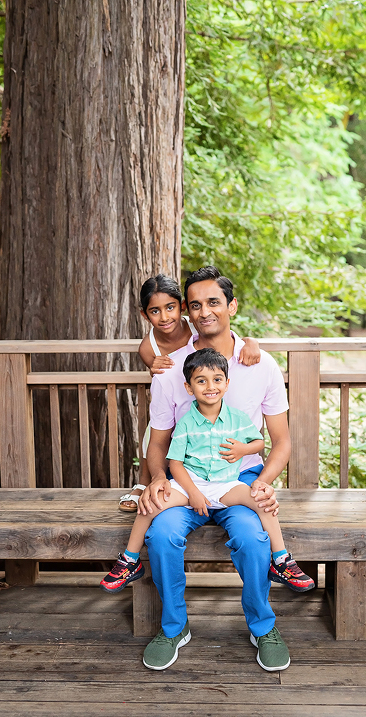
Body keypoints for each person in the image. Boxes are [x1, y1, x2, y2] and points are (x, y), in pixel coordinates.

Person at [137, 266, 292, 673]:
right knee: (163, 532)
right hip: (186, 479)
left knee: (252, 536)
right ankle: (174, 626)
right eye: (195, 305)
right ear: (187, 313)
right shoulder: (172, 371)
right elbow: (158, 442)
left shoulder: (260, 365)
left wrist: (262, 483)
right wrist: (156, 478)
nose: (204, 311)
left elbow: (282, 441)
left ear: (232, 306)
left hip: (240, 480)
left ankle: (263, 626)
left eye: (214, 302)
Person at [101, 348, 314, 598]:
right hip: (191, 483)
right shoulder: (186, 424)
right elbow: (175, 464)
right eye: (201, 381)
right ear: (189, 387)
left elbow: (260, 443)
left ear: (227, 383)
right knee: (151, 505)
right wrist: (192, 493)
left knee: (262, 501)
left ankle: (281, 561)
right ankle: (129, 560)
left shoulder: (237, 418)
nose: (210, 386)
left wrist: (243, 449)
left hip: (226, 484)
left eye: (217, 379)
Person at [118, 274, 261, 511]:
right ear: (145, 315)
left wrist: (250, 341)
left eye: (170, 308)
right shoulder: (148, 347)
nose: (165, 317)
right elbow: (161, 383)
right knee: (156, 432)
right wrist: (154, 367)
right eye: (155, 311)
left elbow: (223, 335)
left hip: (202, 407)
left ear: (182, 307)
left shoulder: (195, 322)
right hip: (179, 412)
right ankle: (146, 483)